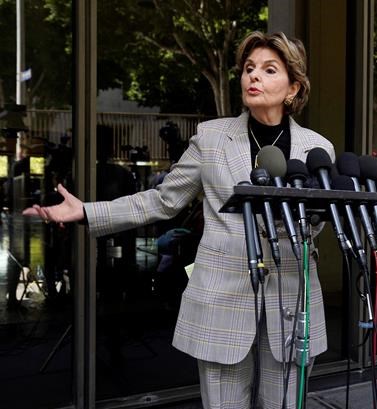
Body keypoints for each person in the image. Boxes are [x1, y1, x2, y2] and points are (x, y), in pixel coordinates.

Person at [23, 31, 335, 408]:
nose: (254, 77)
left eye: (269, 70)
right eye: (249, 68)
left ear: (293, 87)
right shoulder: (212, 138)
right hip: (222, 301)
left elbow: (315, 224)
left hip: (293, 302)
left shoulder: (317, 149)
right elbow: (162, 201)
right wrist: (87, 211)